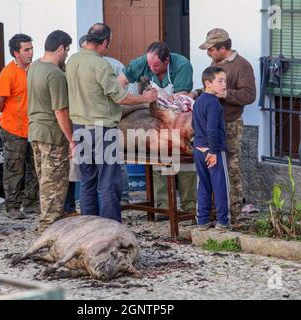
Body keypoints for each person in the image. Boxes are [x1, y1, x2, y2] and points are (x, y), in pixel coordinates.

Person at [66, 23, 157, 223]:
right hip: (102, 130)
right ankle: (110, 228)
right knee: (108, 182)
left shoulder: (72, 60)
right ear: (105, 42)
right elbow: (119, 97)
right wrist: (145, 98)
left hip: (79, 127)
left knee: (88, 181)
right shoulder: (101, 65)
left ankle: (88, 227)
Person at [118, 42, 197, 213]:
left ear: (167, 61)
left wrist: (163, 100)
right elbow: (120, 82)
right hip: (151, 116)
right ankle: (164, 207)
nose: (152, 68)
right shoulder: (141, 63)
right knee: (160, 159)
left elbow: (181, 99)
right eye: (149, 65)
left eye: (156, 65)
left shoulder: (182, 65)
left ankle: (189, 206)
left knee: (184, 162)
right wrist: (121, 100)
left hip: (177, 115)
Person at [194, 28, 256, 224]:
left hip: (230, 123)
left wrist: (226, 94)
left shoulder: (242, 66)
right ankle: (215, 211)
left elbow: (249, 95)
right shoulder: (216, 63)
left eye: (211, 49)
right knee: (214, 168)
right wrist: (195, 94)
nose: (208, 53)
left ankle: (233, 212)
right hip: (211, 123)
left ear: (223, 48)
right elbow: (210, 86)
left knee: (231, 166)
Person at [27, 30, 75, 233]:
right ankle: (48, 228)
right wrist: (71, 139)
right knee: (54, 184)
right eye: (67, 50)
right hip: (52, 135)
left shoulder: (34, 66)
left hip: (35, 131)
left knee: (44, 181)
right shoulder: (55, 74)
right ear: (61, 48)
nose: (66, 55)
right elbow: (60, 111)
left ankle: (48, 222)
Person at [0, 34, 39, 220]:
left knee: (35, 168)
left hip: (33, 128)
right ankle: (12, 207)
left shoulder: (36, 69)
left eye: (31, 48)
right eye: (26, 49)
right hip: (13, 130)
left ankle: (32, 204)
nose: (31, 52)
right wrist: (12, 113)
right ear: (16, 53)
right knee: (14, 169)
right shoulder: (8, 73)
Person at [193, 66, 231, 231]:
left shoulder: (199, 101)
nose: (224, 84)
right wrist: (214, 151)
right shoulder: (214, 103)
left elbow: (195, 125)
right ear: (208, 83)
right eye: (220, 81)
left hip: (199, 149)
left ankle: (202, 220)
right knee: (220, 185)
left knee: (203, 185)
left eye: (225, 81)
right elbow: (212, 129)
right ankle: (223, 221)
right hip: (212, 150)